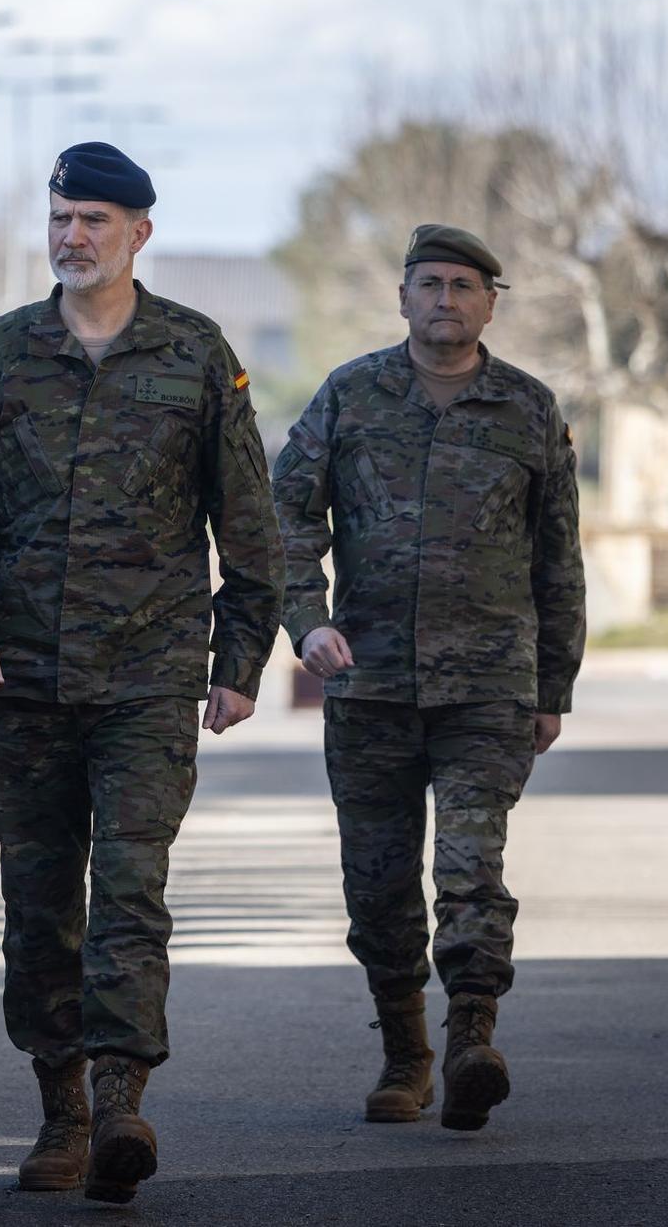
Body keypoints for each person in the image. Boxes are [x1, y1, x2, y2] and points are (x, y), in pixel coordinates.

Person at [0, 142, 282, 1203]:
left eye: (94, 221)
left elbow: (245, 519)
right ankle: (56, 1109)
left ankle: (121, 1099)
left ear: (138, 234)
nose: (72, 236)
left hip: (146, 676)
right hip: (18, 677)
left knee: (126, 889)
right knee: (37, 906)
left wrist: (239, 657)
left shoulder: (195, 355)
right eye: (61, 217)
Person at [272, 224, 586, 1133]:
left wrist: (552, 687)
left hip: (488, 686)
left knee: (470, 864)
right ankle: (404, 1051)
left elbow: (558, 557)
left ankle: (471, 1039)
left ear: (490, 303)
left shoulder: (527, 409)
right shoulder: (349, 395)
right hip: (367, 685)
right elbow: (285, 514)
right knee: (376, 884)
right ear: (403, 298)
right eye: (430, 284)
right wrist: (308, 618)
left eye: (464, 285)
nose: (446, 299)